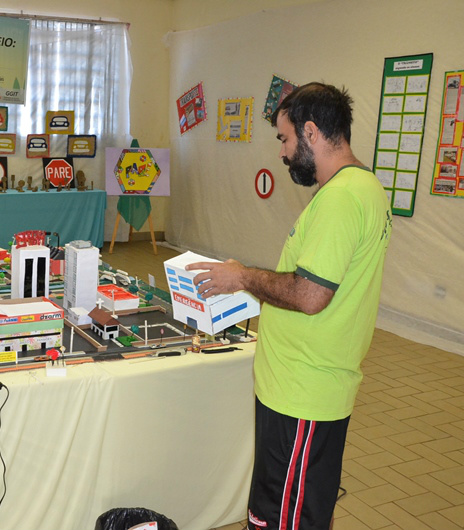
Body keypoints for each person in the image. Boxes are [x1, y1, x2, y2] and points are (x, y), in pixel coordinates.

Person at [186, 83, 392, 530]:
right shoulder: (365, 187)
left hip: (304, 393)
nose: (282, 153)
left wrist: (240, 278)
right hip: (302, 387)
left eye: (285, 139)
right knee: (300, 512)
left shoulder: (340, 199)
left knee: (283, 518)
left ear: (312, 132)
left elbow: (310, 294)